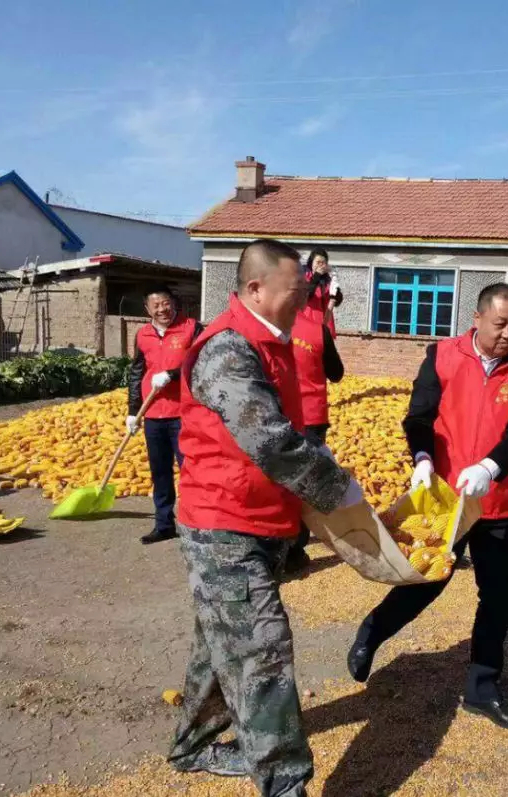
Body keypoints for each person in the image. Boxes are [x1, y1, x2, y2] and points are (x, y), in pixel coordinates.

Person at [167, 239, 364, 796]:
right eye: (295, 290)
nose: (305, 298)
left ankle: (194, 744)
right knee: (262, 650)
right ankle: (285, 783)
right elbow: (271, 443)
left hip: (262, 518)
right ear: (255, 289)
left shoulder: (275, 343)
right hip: (223, 523)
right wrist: (337, 488)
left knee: (220, 639)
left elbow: (294, 433)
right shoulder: (229, 349)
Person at [347, 283, 508, 732]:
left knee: (498, 593)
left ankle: (483, 687)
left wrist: (491, 467)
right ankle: (372, 632)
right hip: (444, 495)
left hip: (495, 498)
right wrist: (422, 460)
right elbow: (418, 416)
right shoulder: (443, 356)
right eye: (500, 325)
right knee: (428, 580)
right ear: (477, 319)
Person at [127, 286, 203, 544]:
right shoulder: (142, 334)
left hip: (185, 414)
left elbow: (203, 364)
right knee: (159, 473)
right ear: (147, 310)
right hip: (153, 416)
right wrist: (132, 411)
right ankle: (163, 523)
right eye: (156, 305)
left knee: (191, 471)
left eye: (166, 303)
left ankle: (198, 523)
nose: (162, 309)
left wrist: (172, 374)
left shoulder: (192, 328)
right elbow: (137, 373)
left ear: (175, 304)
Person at [284, 303, 346, 574]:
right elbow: (336, 373)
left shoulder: (261, 328)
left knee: (278, 482)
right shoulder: (316, 330)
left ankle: (277, 548)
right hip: (310, 418)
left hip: (272, 415)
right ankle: (294, 551)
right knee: (303, 486)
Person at [303, 249, 343, 337]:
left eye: (323, 262)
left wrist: (336, 290)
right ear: (311, 263)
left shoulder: (328, 280)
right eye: (318, 262)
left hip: (325, 322)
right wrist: (316, 275)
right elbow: (307, 295)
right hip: (308, 321)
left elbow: (337, 301)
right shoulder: (304, 277)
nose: (320, 265)